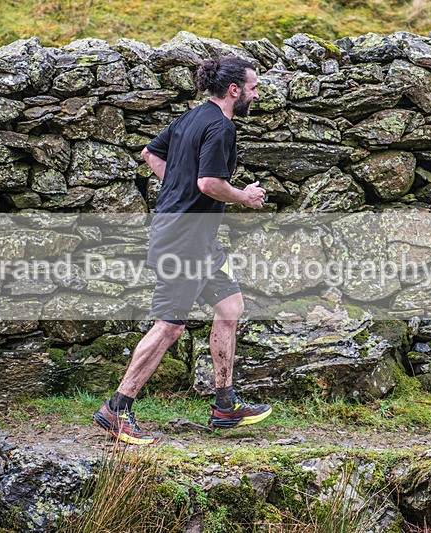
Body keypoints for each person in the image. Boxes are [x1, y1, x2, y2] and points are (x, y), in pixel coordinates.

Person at [92, 55, 272, 445]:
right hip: (183, 241)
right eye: (253, 88)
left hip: (200, 240)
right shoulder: (221, 126)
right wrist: (244, 196)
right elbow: (209, 183)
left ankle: (225, 405)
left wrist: (178, 187)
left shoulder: (191, 117)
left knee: (230, 307)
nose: (257, 95)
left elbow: (150, 154)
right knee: (170, 326)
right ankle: (116, 408)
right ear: (234, 90)